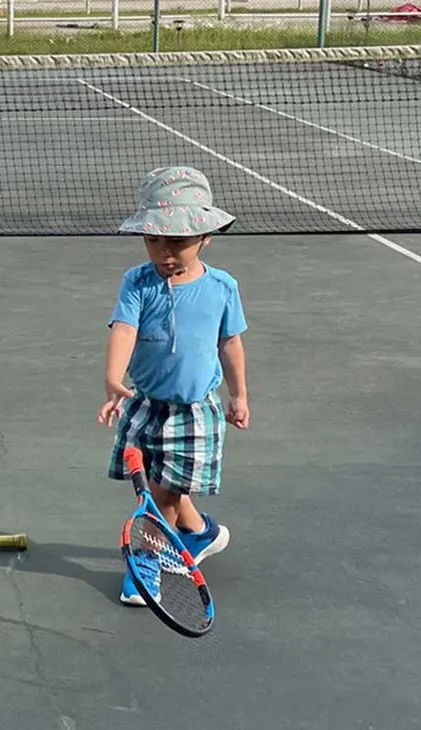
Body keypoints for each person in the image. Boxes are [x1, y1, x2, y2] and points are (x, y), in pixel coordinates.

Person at [97, 166, 250, 606]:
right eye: (154, 240)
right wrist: (112, 379)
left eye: (177, 241)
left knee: (162, 495)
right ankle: (200, 533)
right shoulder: (138, 282)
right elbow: (124, 330)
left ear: (205, 237)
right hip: (145, 406)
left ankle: (146, 562)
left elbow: (231, 342)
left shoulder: (222, 287)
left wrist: (238, 395)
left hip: (194, 413)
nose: (165, 252)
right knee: (153, 486)